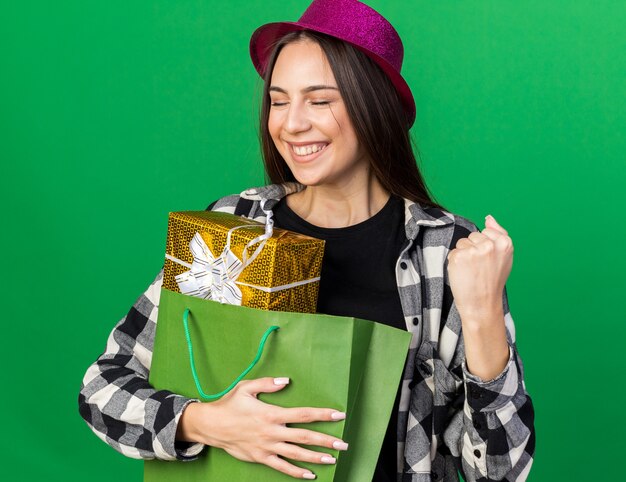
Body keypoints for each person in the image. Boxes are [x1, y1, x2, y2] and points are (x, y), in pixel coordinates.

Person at [78, 1, 535, 481]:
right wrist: (208, 423)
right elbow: (101, 388)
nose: (291, 124)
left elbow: (501, 473)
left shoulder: (443, 252)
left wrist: (482, 317)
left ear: (374, 106)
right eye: (278, 100)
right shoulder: (236, 229)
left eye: (319, 100)